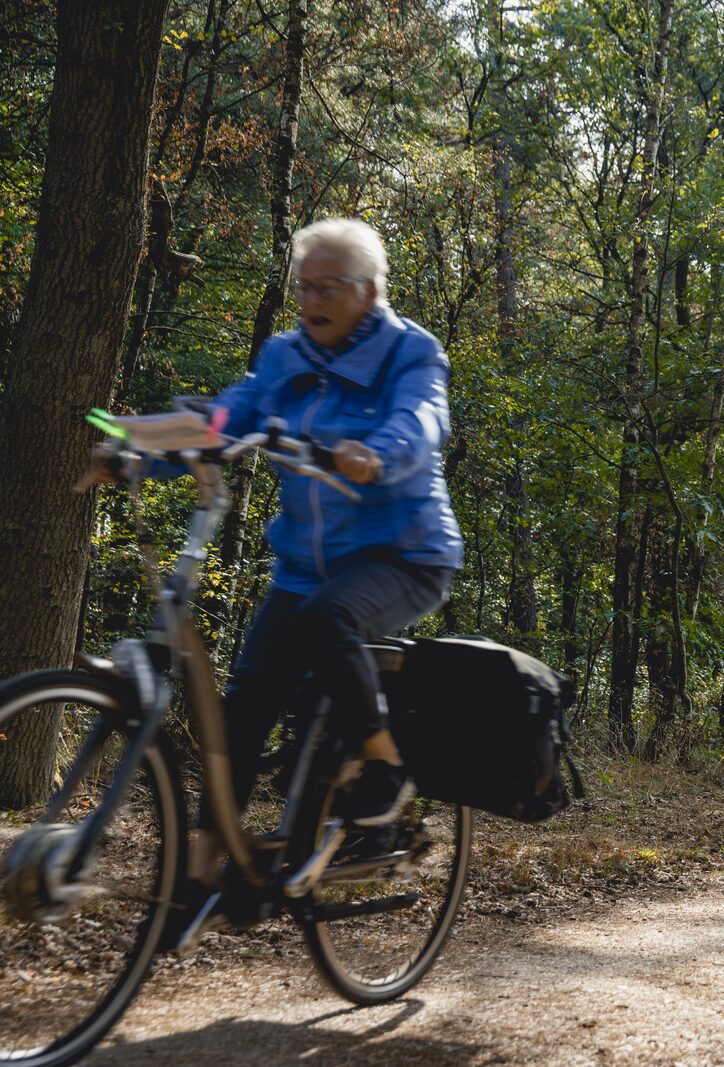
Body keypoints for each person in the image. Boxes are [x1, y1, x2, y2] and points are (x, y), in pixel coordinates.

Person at [109, 218, 463, 890]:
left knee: (326, 620)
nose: (311, 300)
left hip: (405, 556)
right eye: (304, 286)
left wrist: (376, 454)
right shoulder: (282, 357)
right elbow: (223, 423)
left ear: (369, 290)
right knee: (239, 715)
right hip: (304, 567)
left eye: (328, 286)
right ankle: (198, 877)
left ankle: (383, 766)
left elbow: (422, 419)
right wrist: (137, 454)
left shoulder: (410, 353)